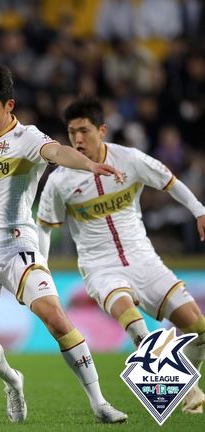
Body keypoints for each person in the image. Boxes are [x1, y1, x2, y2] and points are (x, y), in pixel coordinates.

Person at [0, 64, 128, 424]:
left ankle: (99, 403)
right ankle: (13, 380)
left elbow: (59, 152)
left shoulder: (27, 139)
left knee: (56, 317)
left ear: (9, 105)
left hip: (17, 243)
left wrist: (90, 166)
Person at [37, 95, 205, 414]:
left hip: (144, 259)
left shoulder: (129, 160)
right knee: (135, 324)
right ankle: (185, 389)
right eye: (72, 132)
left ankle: (178, 385)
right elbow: (44, 227)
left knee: (199, 329)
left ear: (102, 130)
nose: (78, 139)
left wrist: (199, 211)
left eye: (84, 130)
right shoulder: (60, 180)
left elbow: (171, 182)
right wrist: (42, 271)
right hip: (101, 268)